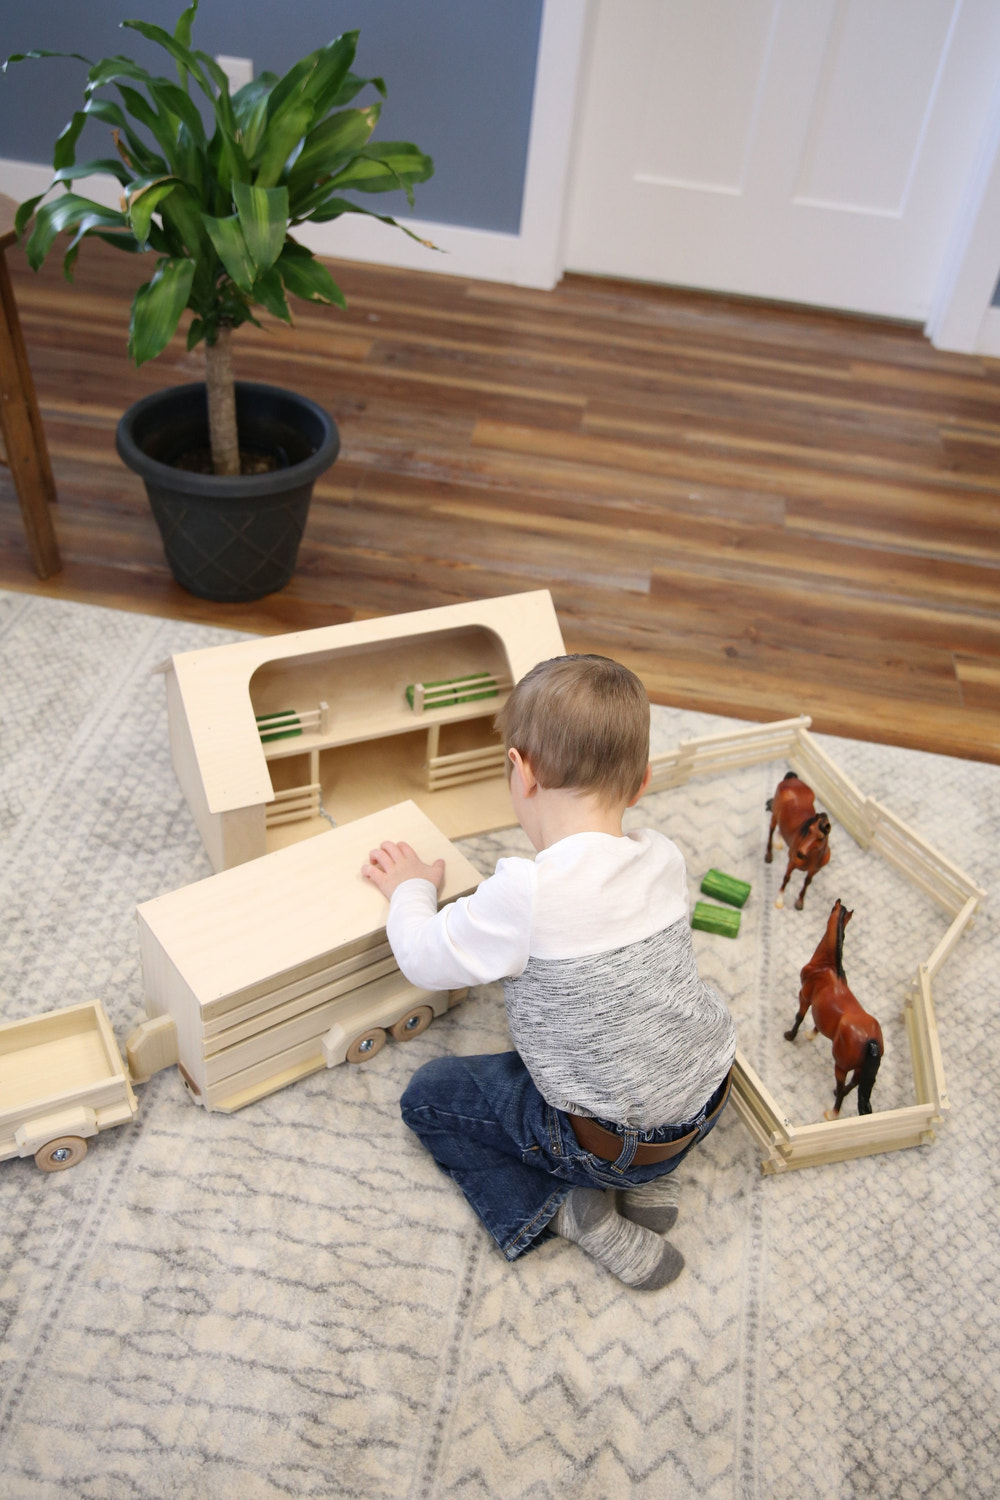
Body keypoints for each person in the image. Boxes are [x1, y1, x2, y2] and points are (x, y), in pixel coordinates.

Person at [361, 654, 736, 1290]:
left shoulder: (525, 892)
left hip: (606, 1143)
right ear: (641, 783)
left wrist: (410, 890)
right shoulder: (664, 857)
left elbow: (423, 954)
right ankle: (654, 1173)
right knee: (658, 1019)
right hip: (707, 1097)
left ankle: (571, 1209)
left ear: (520, 771)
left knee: (429, 1097)